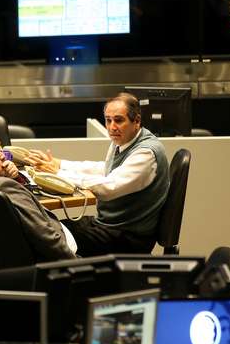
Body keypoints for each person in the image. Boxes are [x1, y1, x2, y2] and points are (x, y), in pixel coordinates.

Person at [28, 92, 170, 256]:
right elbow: (105, 169)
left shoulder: (146, 153)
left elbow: (108, 188)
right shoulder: (123, 140)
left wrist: (58, 174)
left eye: (118, 120)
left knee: (48, 237)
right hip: (110, 225)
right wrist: (59, 164)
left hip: (126, 237)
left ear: (136, 121)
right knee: (50, 227)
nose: (111, 127)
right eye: (108, 120)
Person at [0, 129, 77, 261]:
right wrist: (77, 265)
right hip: (55, 263)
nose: (3, 156)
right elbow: (44, 236)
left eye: (0, 151)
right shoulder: (5, 187)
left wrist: (13, 177)